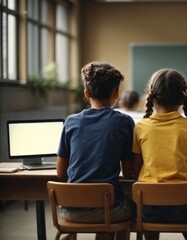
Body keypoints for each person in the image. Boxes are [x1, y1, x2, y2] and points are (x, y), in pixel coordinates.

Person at [57, 62, 135, 240]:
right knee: (129, 209)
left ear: (86, 93)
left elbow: (61, 172)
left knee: (105, 209)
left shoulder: (71, 121)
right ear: (116, 93)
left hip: (70, 211)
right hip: (110, 210)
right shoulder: (124, 122)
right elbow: (129, 172)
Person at [132, 68, 187, 240]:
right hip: (185, 208)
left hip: (149, 207)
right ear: (183, 96)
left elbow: (136, 169)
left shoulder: (141, 127)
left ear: (152, 96)